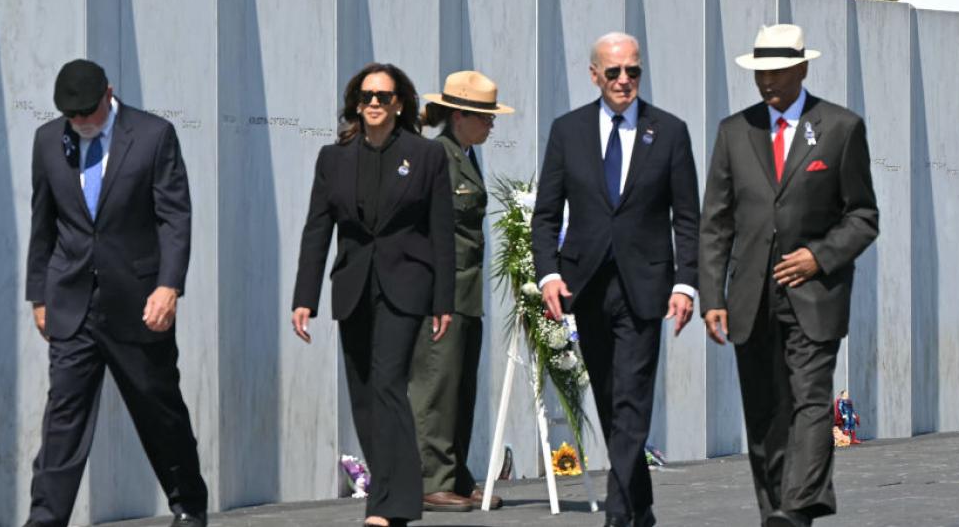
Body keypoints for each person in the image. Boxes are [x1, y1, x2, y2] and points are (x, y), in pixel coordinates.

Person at [698, 24, 879, 527]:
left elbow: (864, 216)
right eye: (760, 72)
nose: (767, 81)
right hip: (750, 298)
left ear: (802, 68)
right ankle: (774, 511)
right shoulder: (735, 132)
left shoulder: (841, 128)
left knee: (811, 401)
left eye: (777, 71)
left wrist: (818, 257)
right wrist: (713, 294)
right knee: (765, 413)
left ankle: (797, 508)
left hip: (815, 294)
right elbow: (716, 222)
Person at [23, 60, 208, 527]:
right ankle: (45, 519)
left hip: (140, 303)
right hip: (72, 304)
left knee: (158, 409)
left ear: (109, 93)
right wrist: (39, 296)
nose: (82, 122)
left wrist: (169, 286)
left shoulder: (152, 135)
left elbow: (174, 217)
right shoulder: (48, 141)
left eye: (89, 112)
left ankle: (188, 504)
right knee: (63, 419)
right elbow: (42, 223)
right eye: (73, 116)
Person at [532, 32, 701, 527]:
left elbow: (687, 217)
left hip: (646, 287)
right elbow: (546, 214)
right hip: (586, 286)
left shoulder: (668, 131)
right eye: (614, 72)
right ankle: (642, 507)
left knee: (632, 397)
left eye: (633, 71)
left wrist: (685, 283)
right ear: (594, 76)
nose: (625, 80)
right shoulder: (568, 131)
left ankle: (619, 515)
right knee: (610, 399)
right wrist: (548, 274)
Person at [291, 63, 456, 527]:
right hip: (353, 285)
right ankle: (389, 497)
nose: (375, 104)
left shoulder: (425, 156)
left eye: (384, 96)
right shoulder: (333, 159)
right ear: (355, 104)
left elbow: (442, 233)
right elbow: (317, 230)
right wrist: (304, 296)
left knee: (387, 384)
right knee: (363, 395)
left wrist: (444, 300)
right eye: (367, 97)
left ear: (399, 103)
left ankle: (392, 504)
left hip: (407, 285)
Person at [411, 71, 513, 512]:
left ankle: (455, 473)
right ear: (459, 115)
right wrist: (437, 297)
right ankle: (429, 478)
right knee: (436, 385)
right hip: (442, 294)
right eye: (484, 117)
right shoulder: (437, 155)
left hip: (466, 292)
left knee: (461, 388)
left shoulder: (465, 156)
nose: (492, 125)